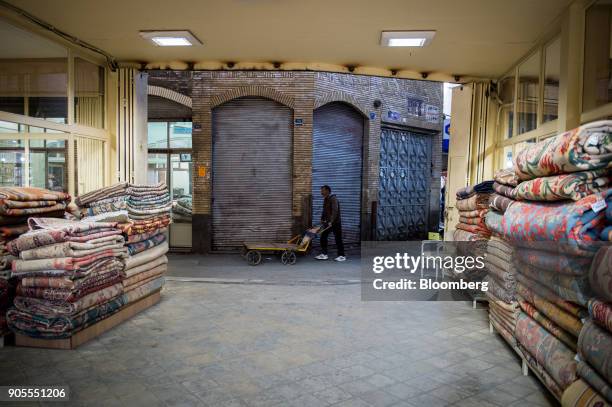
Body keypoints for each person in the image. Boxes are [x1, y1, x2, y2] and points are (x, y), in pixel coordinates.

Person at [315, 185, 346, 262]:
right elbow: (324, 210)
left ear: (327, 191)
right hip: (328, 222)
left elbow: (335, 211)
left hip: (335, 223)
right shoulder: (326, 199)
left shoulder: (333, 198)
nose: (321, 192)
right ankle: (324, 254)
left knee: (338, 238)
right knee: (323, 237)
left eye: (322, 190)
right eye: (321, 190)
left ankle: (342, 256)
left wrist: (331, 222)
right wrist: (322, 219)